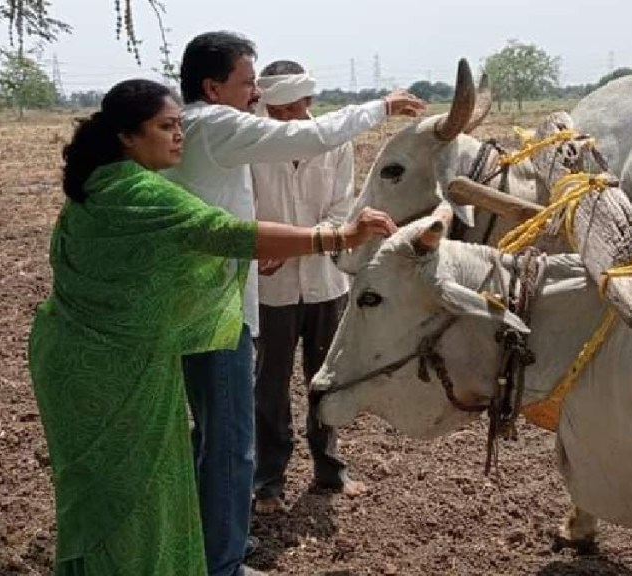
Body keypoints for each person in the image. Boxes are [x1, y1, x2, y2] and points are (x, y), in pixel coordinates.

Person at [29, 78, 396, 576]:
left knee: (101, 492)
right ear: (126, 137)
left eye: (180, 124)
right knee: (133, 490)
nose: (180, 136)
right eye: (165, 126)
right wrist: (341, 235)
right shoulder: (140, 192)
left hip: (75, 355)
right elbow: (224, 234)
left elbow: (155, 262)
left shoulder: (99, 184)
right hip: (111, 369)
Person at [162, 31, 425, 576]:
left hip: (258, 289)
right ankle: (223, 560)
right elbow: (305, 151)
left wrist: (311, 238)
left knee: (231, 423)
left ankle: (208, 542)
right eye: (250, 85)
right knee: (235, 432)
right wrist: (384, 105)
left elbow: (337, 200)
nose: (259, 96)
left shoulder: (192, 130)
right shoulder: (228, 129)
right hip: (234, 300)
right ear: (215, 88)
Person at [250, 60, 364, 515]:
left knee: (327, 380)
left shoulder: (336, 142)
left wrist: (289, 248)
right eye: (272, 109)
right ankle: (268, 482)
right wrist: (260, 244)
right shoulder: (252, 142)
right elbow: (244, 210)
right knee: (269, 386)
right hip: (269, 288)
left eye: (287, 109)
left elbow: (342, 214)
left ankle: (330, 470)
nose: (280, 118)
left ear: (308, 101)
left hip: (325, 284)